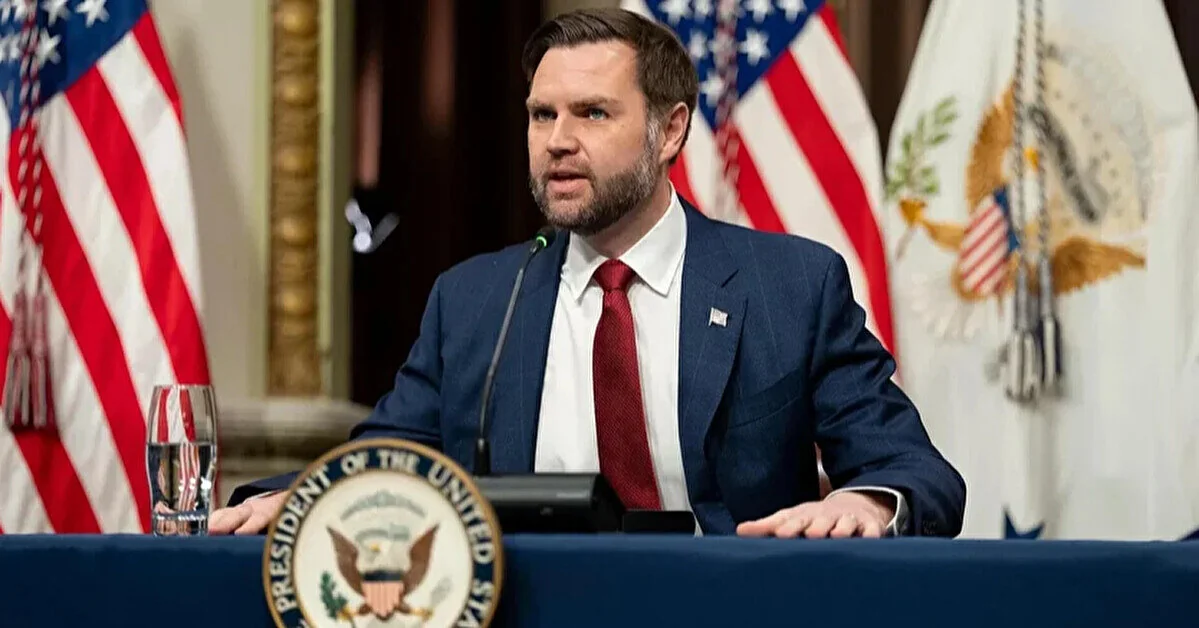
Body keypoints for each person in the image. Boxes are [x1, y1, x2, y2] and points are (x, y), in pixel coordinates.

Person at [211, 8, 965, 538]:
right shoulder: (477, 301)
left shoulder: (790, 287)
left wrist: (868, 503)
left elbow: (913, 470)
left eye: (592, 114)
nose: (557, 141)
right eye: (542, 115)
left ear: (670, 131)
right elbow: (385, 458)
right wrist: (302, 499)